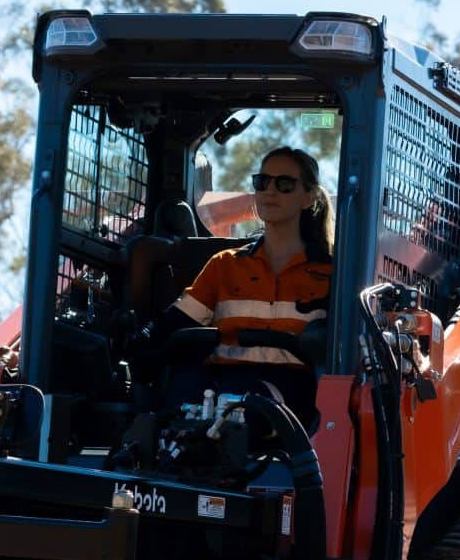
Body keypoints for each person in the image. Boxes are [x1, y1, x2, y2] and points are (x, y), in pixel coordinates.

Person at [138, 147, 333, 419]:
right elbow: (174, 322)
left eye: (284, 184)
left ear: (308, 198)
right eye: (262, 182)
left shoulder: (331, 274)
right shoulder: (224, 265)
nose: (270, 191)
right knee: (181, 398)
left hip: (291, 391)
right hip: (221, 382)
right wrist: (140, 338)